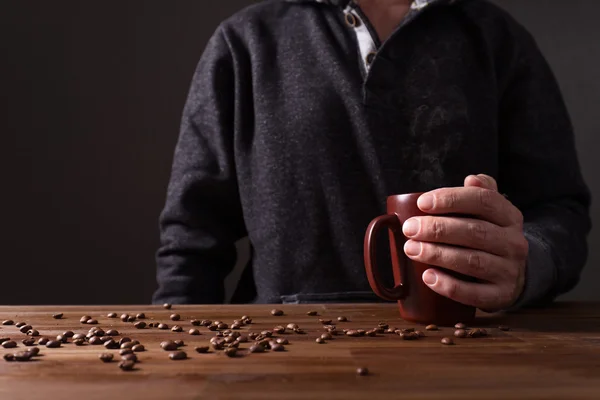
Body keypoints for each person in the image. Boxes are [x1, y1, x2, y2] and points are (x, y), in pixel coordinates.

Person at [152, 0, 591, 311]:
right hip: (283, 353)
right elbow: (191, 236)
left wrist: (525, 269)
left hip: (464, 348)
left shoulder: (499, 40)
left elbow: (561, 212)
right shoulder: (244, 42)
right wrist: (176, 350)